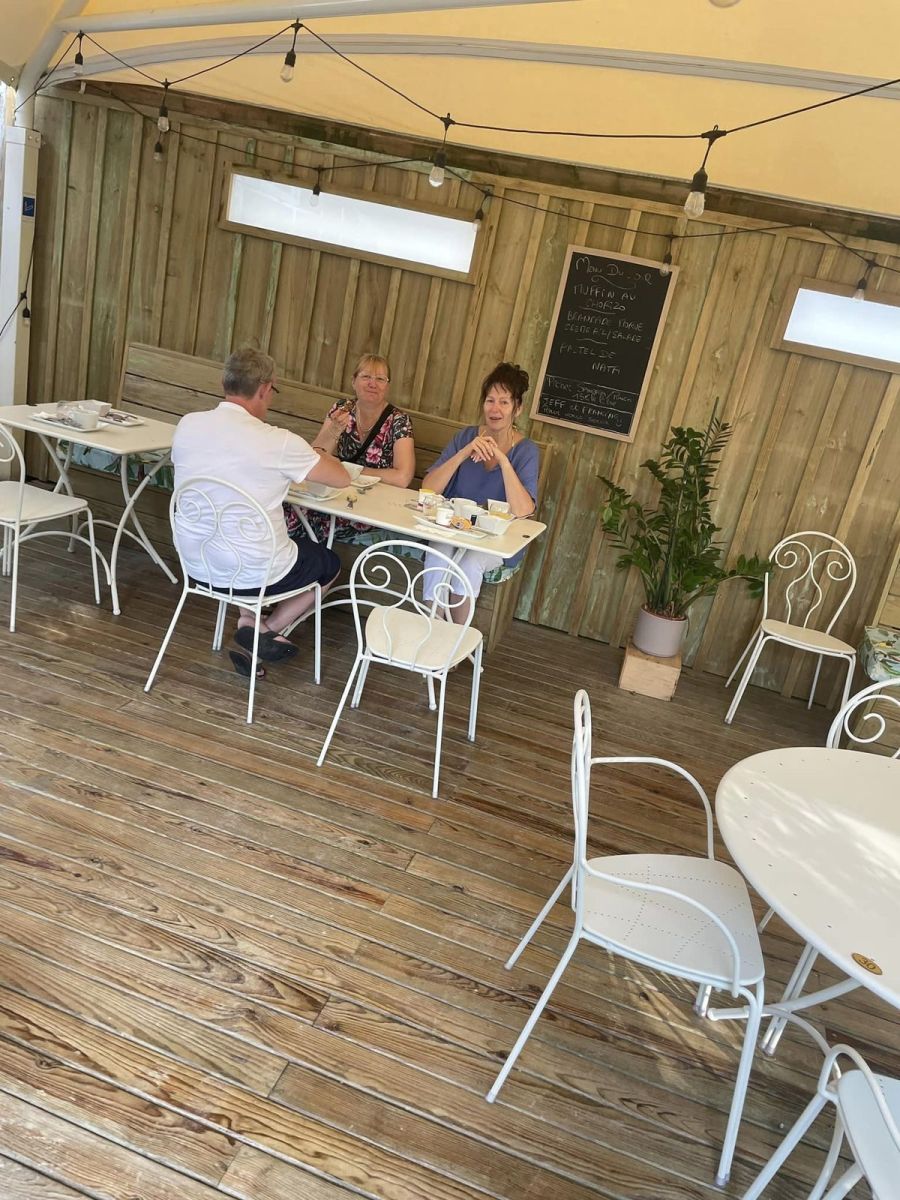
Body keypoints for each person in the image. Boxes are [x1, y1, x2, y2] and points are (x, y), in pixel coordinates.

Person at [172, 347, 350, 676]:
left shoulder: (188, 425)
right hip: (254, 572)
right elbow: (340, 478)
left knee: (243, 542)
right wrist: (330, 436)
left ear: (225, 382)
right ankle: (267, 630)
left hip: (197, 563)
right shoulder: (278, 442)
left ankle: (250, 622)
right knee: (328, 563)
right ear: (266, 389)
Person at [420, 362, 539, 622]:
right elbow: (428, 488)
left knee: (469, 562)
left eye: (504, 402)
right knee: (439, 550)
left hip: (496, 539)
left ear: (517, 408)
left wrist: (503, 460)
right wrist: (464, 453)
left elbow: (523, 511)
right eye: (490, 400)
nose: (495, 409)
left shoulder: (526, 451)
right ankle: (431, 628)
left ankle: (455, 639)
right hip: (454, 529)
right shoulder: (466, 437)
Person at [285, 353, 414, 544]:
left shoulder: (399, 420)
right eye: (366, 376)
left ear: (387, 386)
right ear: (354, 381)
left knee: (309, 520)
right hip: (338, 493)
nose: (372, 383)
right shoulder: (342, 409)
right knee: (291, 511)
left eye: (380, 379)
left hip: (373, 502)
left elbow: (403, 477)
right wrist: (334, 431)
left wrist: (351, 471)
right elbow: (315, 456)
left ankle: (310, 559)